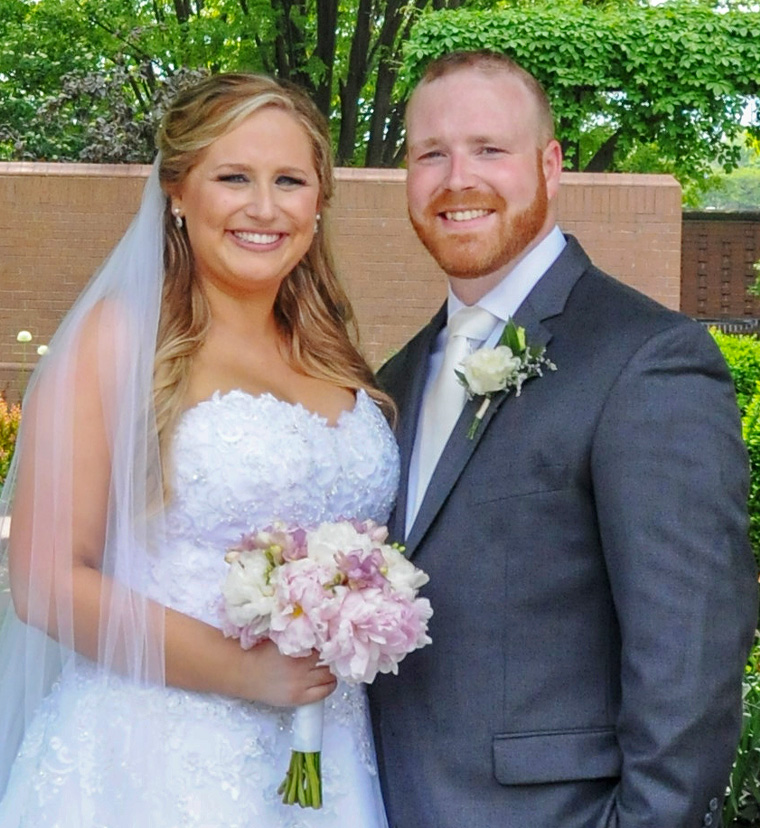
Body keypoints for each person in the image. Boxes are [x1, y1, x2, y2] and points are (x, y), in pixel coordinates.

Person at [368, 50, 759, 828]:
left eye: (489, 149)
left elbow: (691, 650)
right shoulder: (398, 377)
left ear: (550, 165)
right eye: (429, 155)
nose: (456, 179)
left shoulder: (647, 359)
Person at [0, 73, 399, 826]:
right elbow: (47, 581)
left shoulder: (332, 353)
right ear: (179, 192)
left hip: (331, 757)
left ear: (318, 203)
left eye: (289, 180)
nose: (263, 206)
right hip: (156, 763)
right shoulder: (120, 340)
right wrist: (250, 673)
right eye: (233, 178)